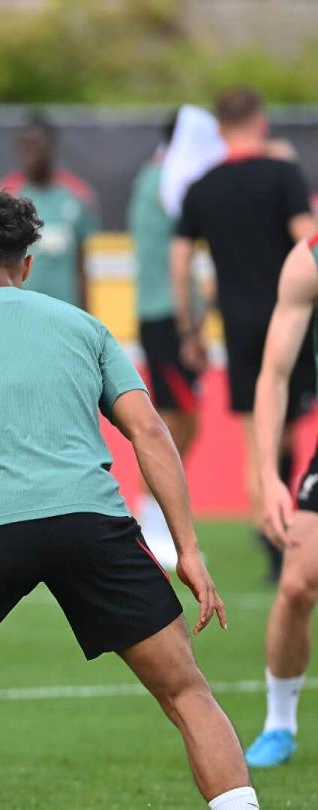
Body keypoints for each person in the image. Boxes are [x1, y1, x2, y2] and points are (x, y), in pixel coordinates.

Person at [0, 186, 255, 810]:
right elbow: (150, 432)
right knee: (185, 690)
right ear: (26, 264)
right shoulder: (84, 326)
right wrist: (188, 548)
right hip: (95, 527)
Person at [172, 86, 317, 584]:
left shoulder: (202, 186)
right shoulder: (283, 174)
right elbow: (307, 237)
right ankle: (286, 528)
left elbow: (180, 259)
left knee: (255, 429)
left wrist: (189, 324)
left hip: (235, 321)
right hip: (290, 312)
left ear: (218, 129)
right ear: (261, 120)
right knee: (293, 421)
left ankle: (269, 529)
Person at [248, 233, 318, 768]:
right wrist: (269, 474)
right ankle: (279, 723)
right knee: (296, 584)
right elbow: (274, 375)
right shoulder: (309, 258)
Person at [130, 112, 202, 568]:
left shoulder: (155, 177)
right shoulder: (167, 180)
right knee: (174, 424)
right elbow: (179, 261)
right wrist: (189, 324)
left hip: (164, 316)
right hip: (166, 318)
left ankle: (155, 516)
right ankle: (149, 518)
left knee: (183, 423)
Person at [0, 112, 98, 310]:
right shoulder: (6, 196)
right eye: (23, 147)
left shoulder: (78, 195)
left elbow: (82, 265)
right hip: (22, 312)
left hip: (65, 310)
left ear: (50, 146)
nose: (28, 154)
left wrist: (88, 316)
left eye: (34, 146)